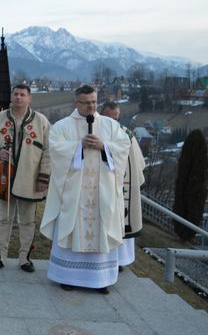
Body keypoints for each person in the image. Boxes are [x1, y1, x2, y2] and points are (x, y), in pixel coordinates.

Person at [40, 85, 130, 294]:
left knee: (101, 227)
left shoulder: (109, 125)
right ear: (76, 103)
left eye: (94, 102)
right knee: (72, 228)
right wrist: (78, 145)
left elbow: (123, 147)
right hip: (75, 192)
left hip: (102, 192)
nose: (91, 106)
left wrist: (104, 147)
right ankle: (67, 276)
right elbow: (56, 149)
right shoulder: (62, 126)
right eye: (86, 102)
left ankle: (99, 280)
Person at [0, 84, 51, 272]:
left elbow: (48, 150)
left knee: (28, 221)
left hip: (30, 180)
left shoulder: (41, 122)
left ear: (29, 98)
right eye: (16, 94)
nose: (18, 98)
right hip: (5, 178)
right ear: (11, 97)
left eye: (23, 95)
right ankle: (0, 256)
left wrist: (44, 177)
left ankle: (24, 258)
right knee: (3, 219)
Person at [100, 101, 145, 270]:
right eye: (108, 117)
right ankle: (104, 259)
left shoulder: (127, 134)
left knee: (124, 220)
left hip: (123, 187)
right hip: (101, 185)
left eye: (115, 117)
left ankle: (121, 260)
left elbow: (138, 163)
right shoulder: (95, 134)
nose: (112, 120)